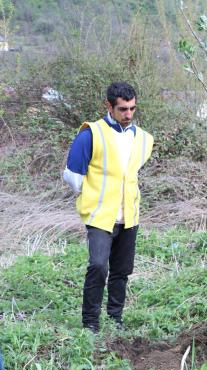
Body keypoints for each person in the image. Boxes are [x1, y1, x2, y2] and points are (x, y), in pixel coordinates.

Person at [62, 82, 154, 333]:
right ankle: (90, 323)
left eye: (133, 108)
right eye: (123, 109)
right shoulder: (91, 134)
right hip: (100, 215)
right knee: (98, 266)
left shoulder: (144, 139)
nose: (129, 114)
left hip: (130, 216)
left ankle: (116, 319)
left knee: (122, 271)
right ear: (109, 106)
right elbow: (72, 176)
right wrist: (93, 194)